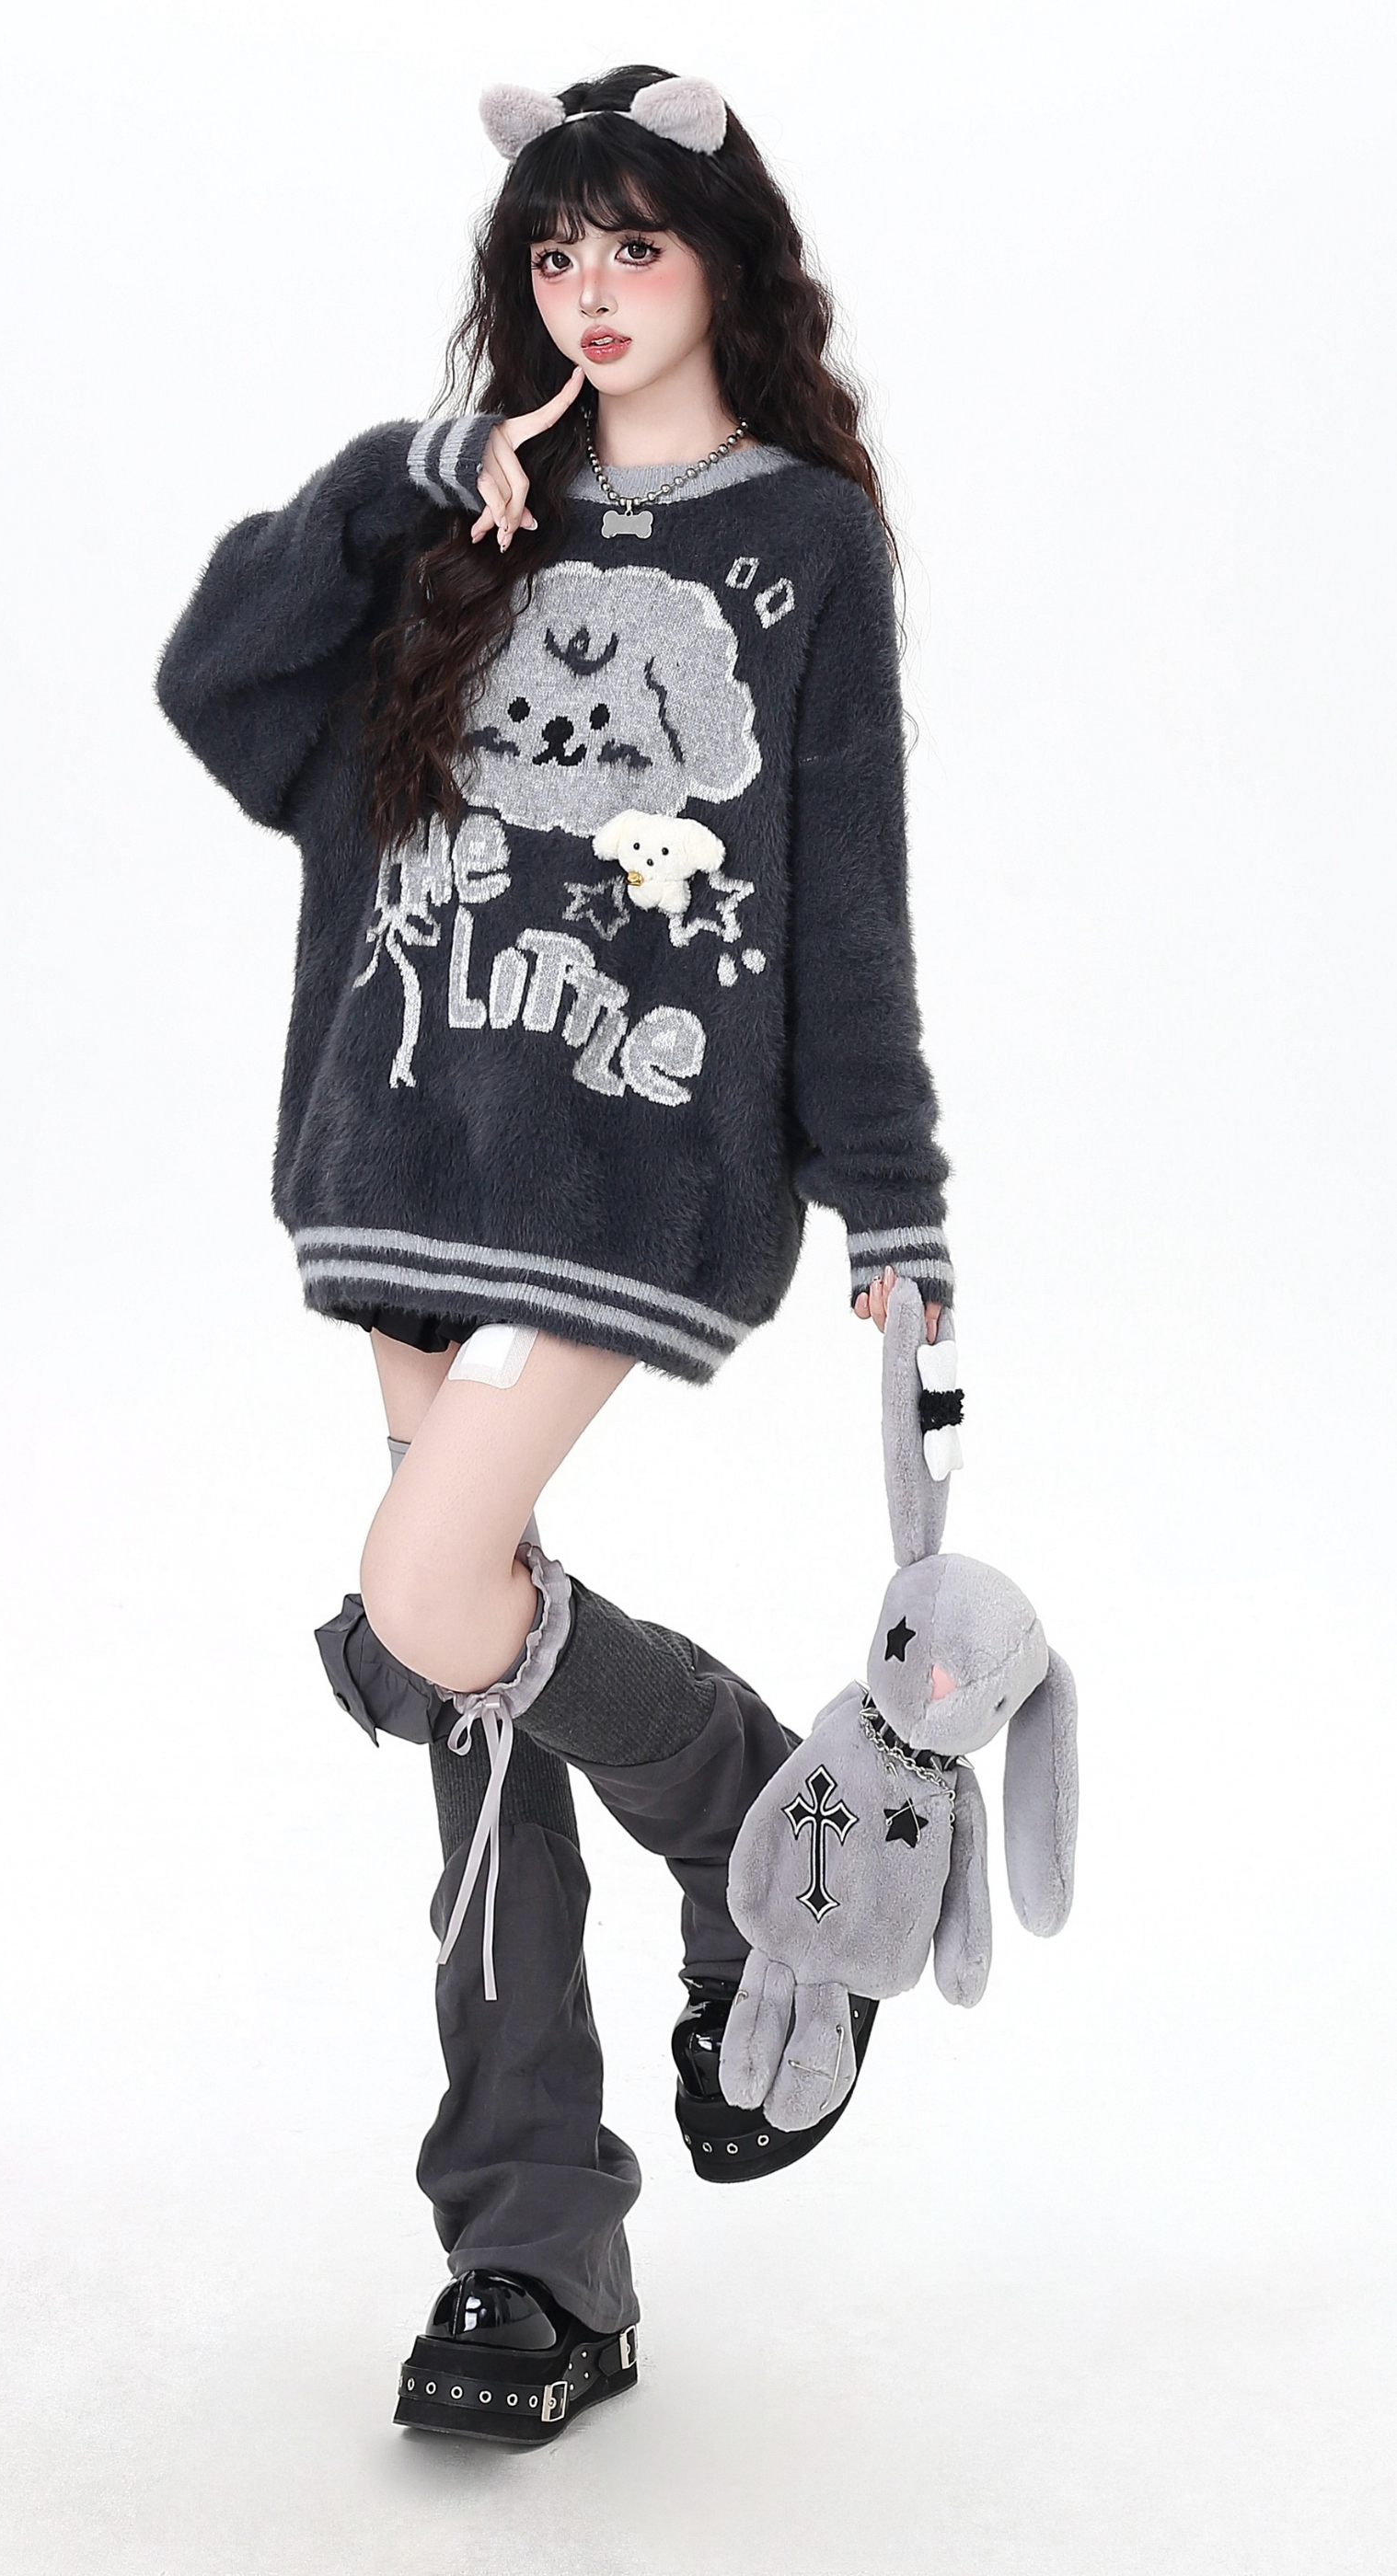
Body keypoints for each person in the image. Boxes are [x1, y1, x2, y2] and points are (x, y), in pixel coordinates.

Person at [156, 63, 952, 2445]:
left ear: (727, 265)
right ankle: (532, 2251)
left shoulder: (802, 542)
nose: (591, 292)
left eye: (636, 246)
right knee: (471, 1689)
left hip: (628, 1166)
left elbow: (841, 890)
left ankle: (748, 1827)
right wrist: (403, 483)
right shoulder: (458, 502)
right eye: (554, 253)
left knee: (428, 1601)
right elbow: (218, 691)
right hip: (404, 1130)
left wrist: (893, 1191)